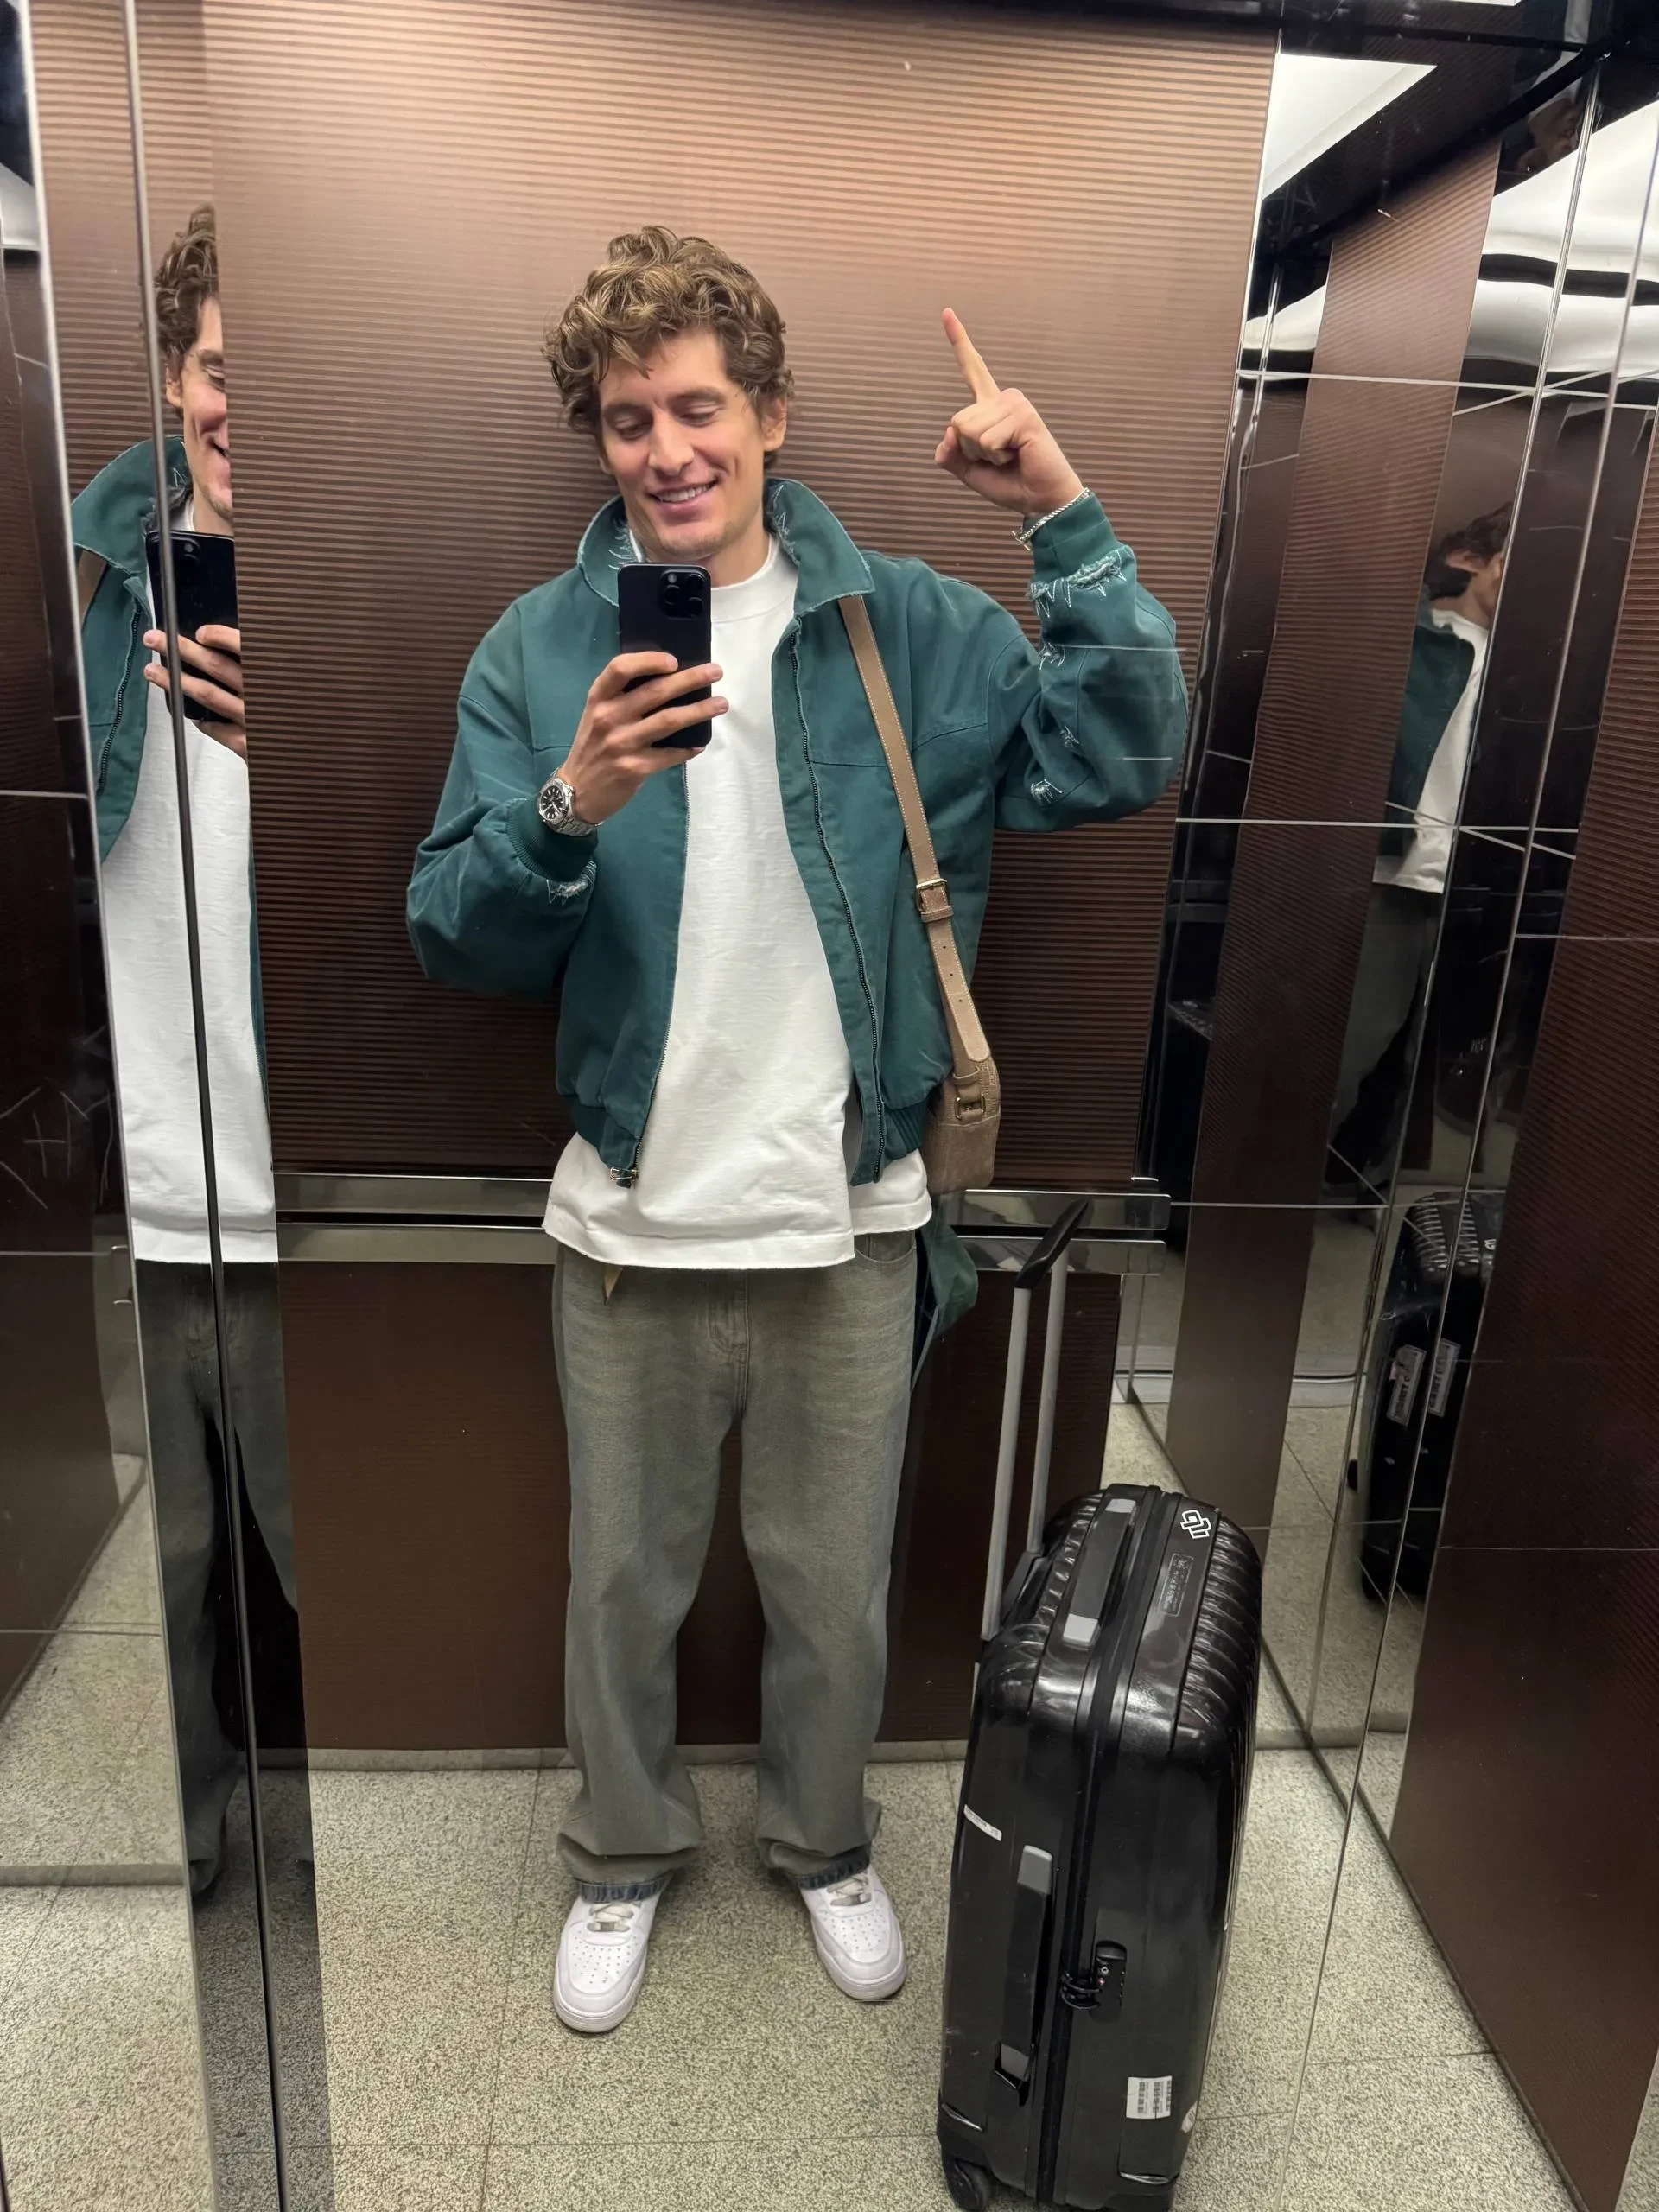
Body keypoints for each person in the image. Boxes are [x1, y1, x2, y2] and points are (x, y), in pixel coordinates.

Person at [407, 227, 1185, 2033]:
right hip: (632, 1217)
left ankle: (825, 1839)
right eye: (628, 419)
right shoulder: (540, 647)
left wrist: (1061, 514)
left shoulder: (911, 627)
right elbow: (452, 932)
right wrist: (569, 801)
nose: (666, 450)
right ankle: (622, 1853)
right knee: (623, 1585)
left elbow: (1124, 752)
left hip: (854, 1209)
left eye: (698, 408)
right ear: (599, 438)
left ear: (771, 413)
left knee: (835, 1583)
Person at [73, 204, 296, 1897]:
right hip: (139, 1176)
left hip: (304, 1190)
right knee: (168, 1561)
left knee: (327, 1558)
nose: (242, 406)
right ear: (171, 376)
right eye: (222, 367)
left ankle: (342, 1847)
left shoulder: (364, 590)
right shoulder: (87, 585)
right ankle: (189, 1825)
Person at [1329, 505, 1510, 1183]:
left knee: (1434, 1065)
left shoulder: (1549, 670)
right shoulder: (1420, 637)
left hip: (1487, 891)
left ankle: (1360, 1190)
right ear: (1475, 562)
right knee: (1348, 1050)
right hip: (1397, 875)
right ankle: (1266, 1199)